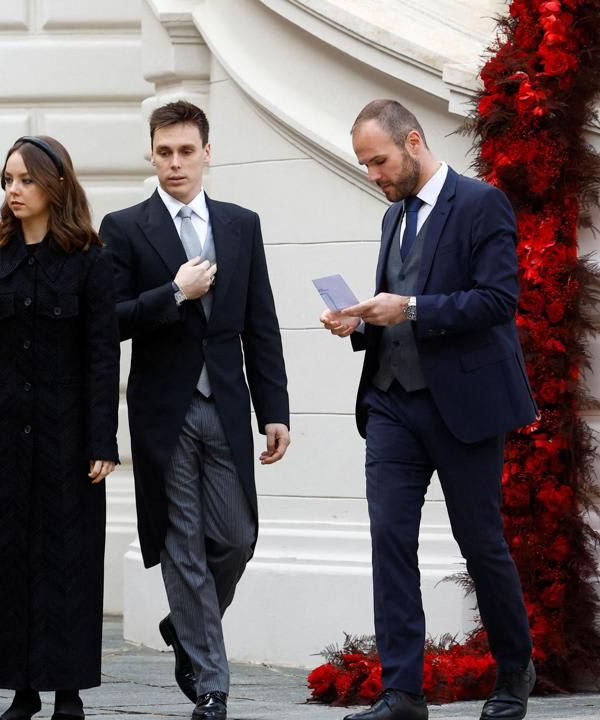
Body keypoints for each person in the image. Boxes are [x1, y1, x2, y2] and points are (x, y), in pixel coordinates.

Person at [322, 100, 537, 720]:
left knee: (481, 543)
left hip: (463, 408)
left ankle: (514, 670)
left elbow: (497, 300)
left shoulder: (481, 203)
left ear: (413, 142)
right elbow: (392, 306)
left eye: (379, 160)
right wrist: (357, 322)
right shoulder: (392, 218)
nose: (373, 175)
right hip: (391, 404)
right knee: (390, 541)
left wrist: (410, 309)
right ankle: (402, 693)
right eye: (364, 164)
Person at [100, 101, 291, 720]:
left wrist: (275, 408)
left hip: (228, 405)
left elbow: (261, 323)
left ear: (208, 152)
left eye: (186, 150)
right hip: (164, 410)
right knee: (182, 542)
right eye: (164, 152)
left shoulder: (242, 224)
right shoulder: (125, 226)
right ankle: (213, 685)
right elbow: (110, 320)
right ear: (151, 155)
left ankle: (185, 627)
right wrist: (174, 294)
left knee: (237, 538)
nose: (175, 162)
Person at [0, 135, 119, 720]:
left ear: (56, 186)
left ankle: (67, 691)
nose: (13, 191)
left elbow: (101, 357)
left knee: (68, 560)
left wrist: (102, 440)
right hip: (0, 435)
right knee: (6, 559)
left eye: (25, 180)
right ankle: (21, 690)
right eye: (9, 180)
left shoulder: (92, 261)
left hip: (68, 437)